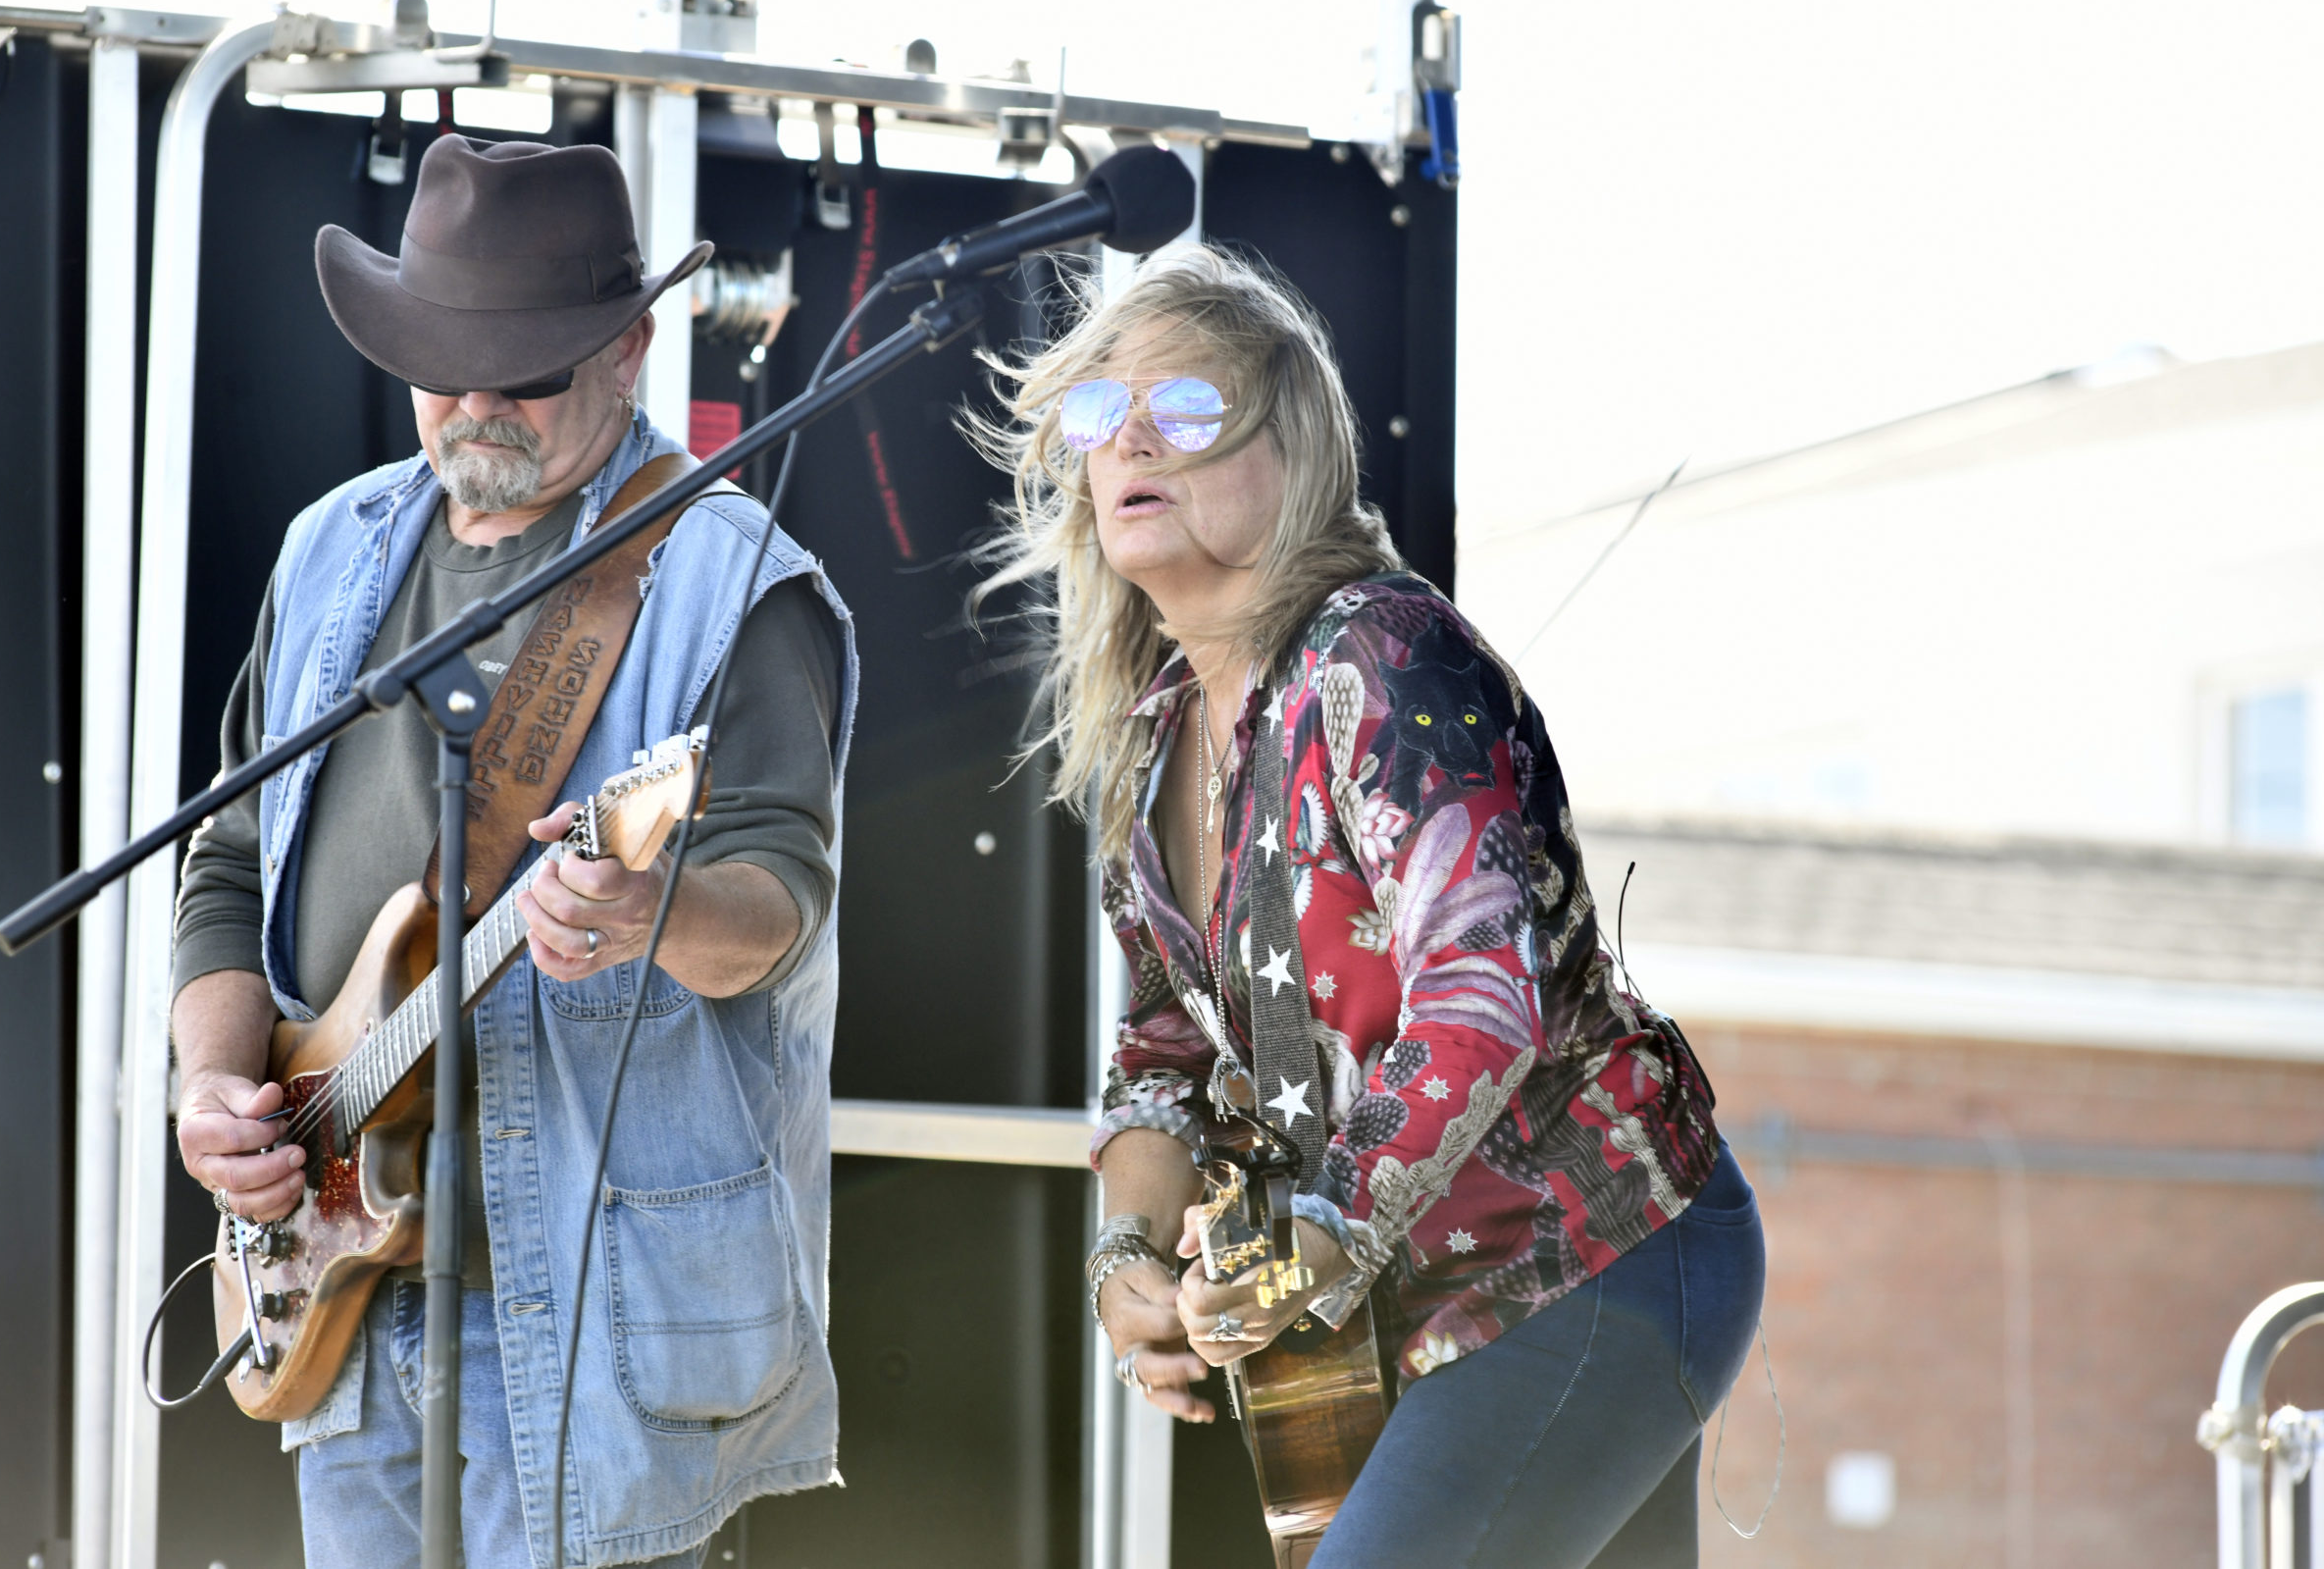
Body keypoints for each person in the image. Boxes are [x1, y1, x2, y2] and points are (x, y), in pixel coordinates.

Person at [974, 243, 1766, 1567]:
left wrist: (1313, 1237)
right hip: (1398, 1314)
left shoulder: (1382, 655)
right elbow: (1162, 1052)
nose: (1129, 444)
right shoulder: (1155, 732)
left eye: (1182, 407)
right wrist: (1127, 1258)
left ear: (1292, 452)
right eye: (1101, 415)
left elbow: (1482, 991)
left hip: (1592, 1258)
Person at [168, 136, 852, 1569]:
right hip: (346, 1288)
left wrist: (647, 903)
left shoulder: (729, 579)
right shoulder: (326, 551)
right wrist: (220, 1088)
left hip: (598, 1327)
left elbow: (777, 902)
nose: (475, 403)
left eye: (524, 369)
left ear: (631, 350)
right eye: (438, 359)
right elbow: (226, 865)